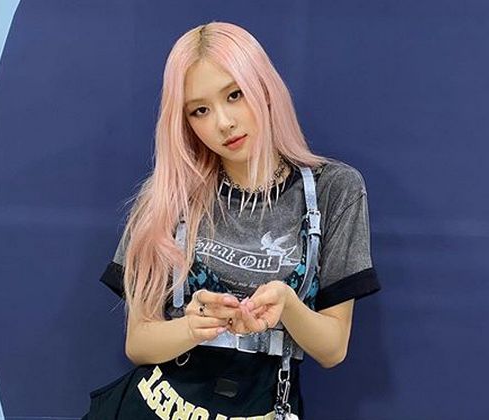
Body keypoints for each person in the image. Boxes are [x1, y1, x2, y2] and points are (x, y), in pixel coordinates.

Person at [84, 21, 380, 420]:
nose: (223, 122)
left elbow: (332, 349)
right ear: (185, 122)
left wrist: (287, 305)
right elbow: (138, 343)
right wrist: (192, 327)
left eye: (234, 94)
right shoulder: (168, 195)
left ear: (264, 88)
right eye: (200, 110)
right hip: (156, 405)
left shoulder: (335, 189)